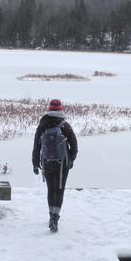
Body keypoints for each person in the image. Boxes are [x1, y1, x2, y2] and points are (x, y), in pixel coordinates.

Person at [32, 99, 78, 233]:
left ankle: (51, 216)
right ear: (61, 109)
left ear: (49, 109)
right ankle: (54, 218)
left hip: (47, 163)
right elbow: (74, 146)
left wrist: (35, 163)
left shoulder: (42, 125)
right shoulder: (65, 126)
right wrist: (71, 159)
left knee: (51, 190)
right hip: (62, 164)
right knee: (59, 190)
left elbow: (37, 146)